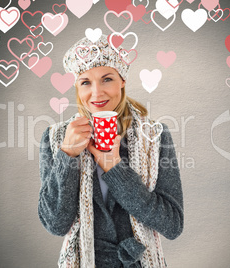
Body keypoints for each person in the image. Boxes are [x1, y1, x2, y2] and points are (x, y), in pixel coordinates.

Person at [38, 34, 184, 268]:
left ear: (122, 81)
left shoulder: (155, 136)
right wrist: (68, 155)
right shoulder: (56, 138)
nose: (97, 93)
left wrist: (115, 168)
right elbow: (56, 224)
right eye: (86, 82)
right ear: (77, 85)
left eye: (107, 79)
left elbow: (172, 225)